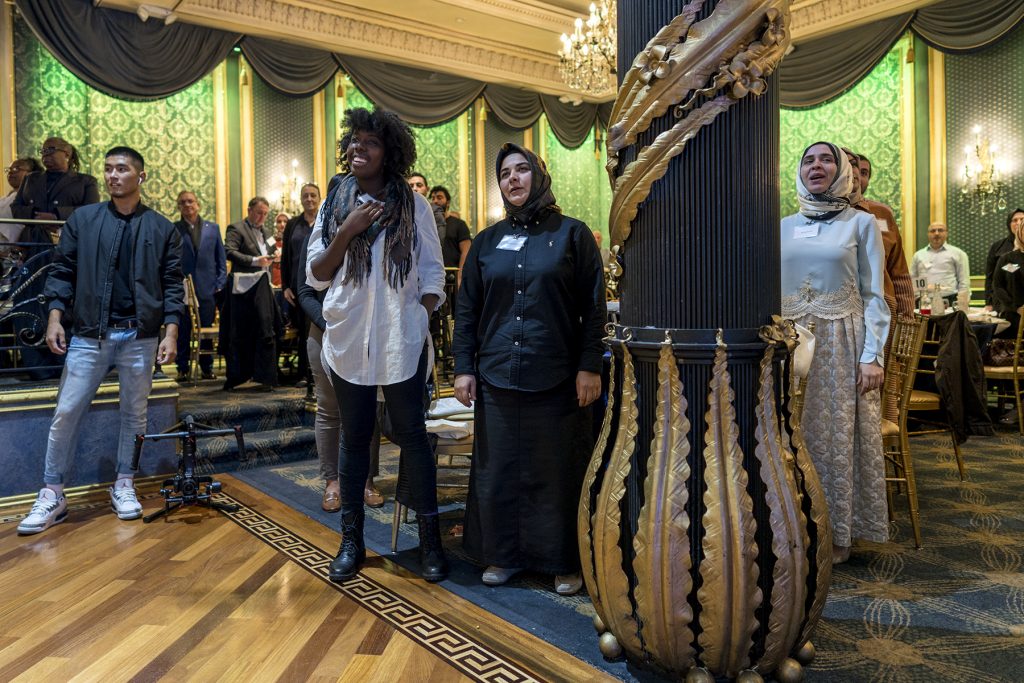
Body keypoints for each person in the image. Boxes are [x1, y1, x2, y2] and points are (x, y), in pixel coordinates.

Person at [452, 142, 606, 595]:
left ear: (539, 176)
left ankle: (564, 561)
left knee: (558, 471)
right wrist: (464, 367)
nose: (513, 179)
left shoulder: (573, 235)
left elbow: (592, 309)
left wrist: (589, 367)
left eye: (522, 170)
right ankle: (503, 556)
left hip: (557, 376)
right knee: (498, 469)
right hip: (497, 375)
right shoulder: (486, 241)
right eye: (505, 173)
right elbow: (467, 310)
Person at [306, 108, 447, 583]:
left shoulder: (415, 205)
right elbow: (316, 274)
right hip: (346, 338)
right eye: (353, 142)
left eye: (369, 143)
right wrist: (347, 230)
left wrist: (418, 316)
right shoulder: (334, 203)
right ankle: (351, 543)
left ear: (390, 152)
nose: (356, 150)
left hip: (399, 341)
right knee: (354, 438)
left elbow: (433, 273)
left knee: (412, 437)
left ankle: (429, 543)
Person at [17, 146, 183, 535]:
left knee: (134, 416)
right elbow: (63, 270)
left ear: (140, 177)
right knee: (66, 412)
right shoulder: (83, 220)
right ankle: (52, 493)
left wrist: (170, 332)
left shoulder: (161, 228)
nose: (112, 176)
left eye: (122, 169)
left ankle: (124, 483)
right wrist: (55, 317)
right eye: (108, 169)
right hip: (89, 335)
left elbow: (173, 284)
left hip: (139, 337)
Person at [780, 141, 890, 564]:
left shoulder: (862, 224)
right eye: (808, 160)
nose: (816, 166)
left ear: (843, 169)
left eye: (826, 159)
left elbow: (875, 296)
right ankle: (792, 525)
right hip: (789, 342)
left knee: (832, 439)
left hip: (841, 343)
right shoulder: (784, 225)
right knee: (787, 436)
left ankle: (837, 533)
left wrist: (872, 355)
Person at [298, 231, 384, 512]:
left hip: (365, 335)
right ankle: (332, 482)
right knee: (330, 410)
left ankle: (366, 481)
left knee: (366, 410)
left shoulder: (370, 232)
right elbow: (305, 292)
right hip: (323, 332)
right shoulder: (318, 236)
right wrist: (331, 324)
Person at [11, 138, 100, 379]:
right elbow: (16, 208)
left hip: (70, 253)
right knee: (29, 307)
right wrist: (37, 217)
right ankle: (37, 368)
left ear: (68, 153)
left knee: (65, 307)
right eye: (43, 151)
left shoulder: (85, 182)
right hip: (35, 251)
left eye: (51, 151)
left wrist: (58, 216)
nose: (45, 155)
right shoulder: (31, 179)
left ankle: (68, 364)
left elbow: (93, 211)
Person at [846, 149, 914, 322]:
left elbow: (899, 271)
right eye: (851, 169)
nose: (858, 177)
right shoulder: (819, 215)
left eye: (864, 173)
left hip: (882, 309)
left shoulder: (883, 213)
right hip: (840, 311)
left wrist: (906, 316)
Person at [222, 197, 279, 391]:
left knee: (266, 328)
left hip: (263, 287)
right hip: (243, 291)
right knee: (244, 331)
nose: (262, 217)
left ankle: (265, 375)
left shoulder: (267, 232)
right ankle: (240, 375)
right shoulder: (236, 229)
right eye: (259, 212)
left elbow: (272, 249)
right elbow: (229, 251)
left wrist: (276, 255)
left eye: (265, 214)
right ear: (249, 210)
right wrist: (255, 261)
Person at [173, 191, 227, 380]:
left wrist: (220, 284)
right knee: (182, 330)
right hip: (183, 290)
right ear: (178, 207)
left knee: (205, 329)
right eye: (183, 202)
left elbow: (220, 259)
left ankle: (206, 367)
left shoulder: (212, 228)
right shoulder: (174, 229)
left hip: (208, 289)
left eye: (190, 201)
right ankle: (182, 367)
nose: (187, 205)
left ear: (198, 204)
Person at [281, 184, 321, 385]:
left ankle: (316, 374)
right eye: (305, 195)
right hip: (297, 287)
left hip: (320, 285)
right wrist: (285, 286)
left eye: (313, 195)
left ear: (319, 198)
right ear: (300, 199)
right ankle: (304, 374)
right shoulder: (293, 224)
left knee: (314, 327)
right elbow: (285, 256)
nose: (309, 199)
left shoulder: (325, 220)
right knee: (303, 332)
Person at [911, 223, 971, 304]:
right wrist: (915, 298)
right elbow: (913, 279)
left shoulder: (958, 253)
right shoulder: (918, 255)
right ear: (928, 234)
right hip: (924, 300)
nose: (936, 233)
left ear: (947, 233)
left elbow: (964, 280)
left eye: (940, 230)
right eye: (932, 231)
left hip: (950, 300)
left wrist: (963, 302)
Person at [428, 184, 472, 286]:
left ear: (447, 202)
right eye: (433, 198)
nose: (435, 201)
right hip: (432, 278)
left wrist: (460, 276)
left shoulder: (459, 224)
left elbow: (466, 252)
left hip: (452, 278)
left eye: (439, 198)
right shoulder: (428, 224)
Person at [985, 208, 1024, 311]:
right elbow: (990, 277)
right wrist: (988, 303)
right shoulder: (998, 247)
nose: (1019, 223)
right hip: (1003, 302)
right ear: (1009, 224)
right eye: (1015, 220)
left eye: (1022, 220)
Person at [0, 157, 43, 244]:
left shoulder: (30, 197)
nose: (10, 172)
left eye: (17, 169)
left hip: (11, 248)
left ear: (31, 173)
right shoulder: (4, 198)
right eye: (9, 169)